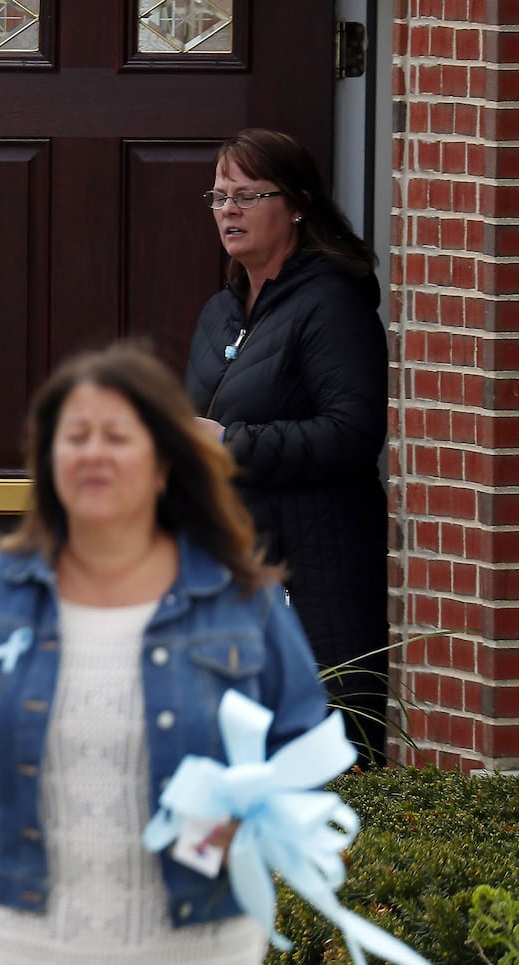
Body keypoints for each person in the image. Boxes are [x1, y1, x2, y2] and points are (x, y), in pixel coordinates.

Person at [0, 344, 333, 965]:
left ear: (165, 465)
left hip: (194, 941)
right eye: (75, 436)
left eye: (119, 435)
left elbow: (305, 742)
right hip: (13, 939)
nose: (94, 452)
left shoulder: (241, 599)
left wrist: (245, 820)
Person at [183, 128, 388, 760]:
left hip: (315, 578)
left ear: (297, 204)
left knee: (316, 771)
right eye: (218, 198)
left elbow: (353, 435)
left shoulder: (331, 303)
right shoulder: (222, 312)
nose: (229, 212)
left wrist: (230, 443)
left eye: (247, 195)